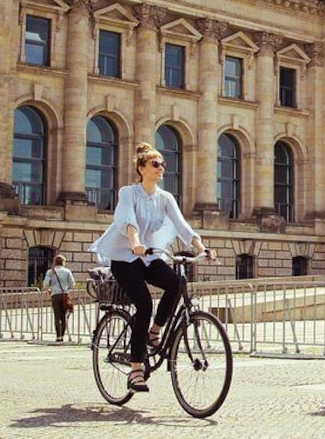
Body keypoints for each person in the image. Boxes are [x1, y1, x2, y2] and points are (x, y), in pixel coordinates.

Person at [89, 142, 211, 392]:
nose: (161, 168)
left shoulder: (165, 198)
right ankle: (136, 370)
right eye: (156, 164)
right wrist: (134, 242)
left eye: (163, 164)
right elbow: (127, 220)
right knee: (143, 304)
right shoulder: (128, 193)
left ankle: (155, 331)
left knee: (177, 283)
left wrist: (201, 248)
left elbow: (182, 225)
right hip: (125, 257)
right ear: (142, 168)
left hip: (148, 256)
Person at [43, 255, 75, 343]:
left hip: (55, 295)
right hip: (64, 295)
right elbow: (73, 284)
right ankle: (62, 336)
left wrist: (50, 289)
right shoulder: (67, 271)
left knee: (57, 316)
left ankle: (58, 336)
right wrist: (66, 290)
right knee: (63, 316)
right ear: (63, 262)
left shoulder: (50, 272)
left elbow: (45, 284)